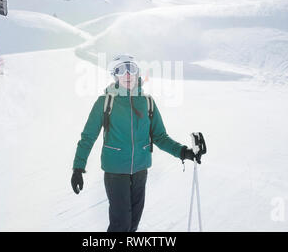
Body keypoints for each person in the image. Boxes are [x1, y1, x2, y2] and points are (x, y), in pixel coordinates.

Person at [71, 54, 197, 232]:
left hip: (140, 171)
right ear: (115, 75)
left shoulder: (147, 102)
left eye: (132, 69)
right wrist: (78, 168)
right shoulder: (105, 102)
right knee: (120, 224)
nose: (128, 74)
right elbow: (88, 137)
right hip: (115, 172)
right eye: (122, 70)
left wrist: (184, 152)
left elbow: (160, 136)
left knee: (132, 224)